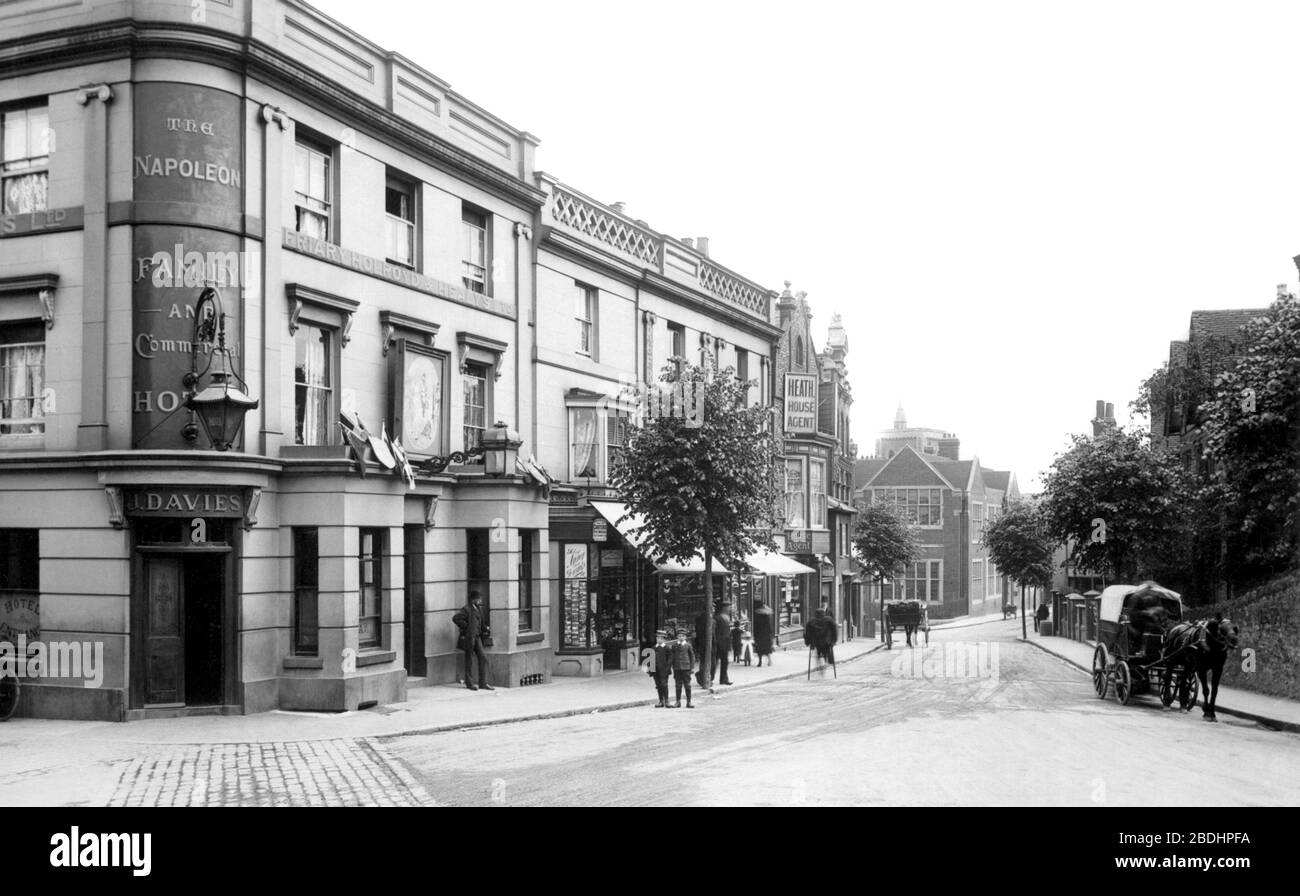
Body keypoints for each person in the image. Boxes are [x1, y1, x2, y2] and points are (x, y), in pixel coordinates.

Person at [452, 590, 494, 691]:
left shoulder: (479, 609)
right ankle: (469, 683)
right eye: (478, 599)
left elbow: (481, 622)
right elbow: (455, 618)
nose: (480, 601)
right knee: (469, 659)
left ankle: (483, 683)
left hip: (477, 637)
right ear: (473, 599)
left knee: (483, 658)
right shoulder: (466, 609)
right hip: (469, 638)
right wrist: (466, 627)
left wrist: (485, 628)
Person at [669, 628, 696, 708]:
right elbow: (672, 657)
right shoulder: (674, 646)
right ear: (677, 637)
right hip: (677, 668)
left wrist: (692, 667)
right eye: (679, 636)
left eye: (682, 636)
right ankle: (678, 702)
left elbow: (692, 656)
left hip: (686, 668)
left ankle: (689, 702)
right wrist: (671, 666)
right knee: (678, 685)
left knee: (687, 685)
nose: (681, 637)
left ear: (685, 637)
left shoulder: (688, 645)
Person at [648, 629, 673, 708]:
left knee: (664, 685)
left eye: (661, 638)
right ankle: (660, 701)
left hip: (664, 670)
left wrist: (667, 667)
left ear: (664, 639)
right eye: (657, 638)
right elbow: (650, 658)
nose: (659, 639)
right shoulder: (653, 648)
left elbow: (670, 658)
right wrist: (650, 668)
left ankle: (667, 701)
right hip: (655, 670)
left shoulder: (667, 648)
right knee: (658, 685)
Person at [712, 603, 733, 686]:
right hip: (719, 643)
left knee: (725, 661)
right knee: (715, 662)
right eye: (729, 607)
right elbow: (716, 632)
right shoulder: (717, 618)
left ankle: (724, 679)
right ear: (724, 608)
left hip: (726, 643)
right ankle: (710, 678)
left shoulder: (727, 618)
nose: (730, 609)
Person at [753, 598, 777, 667]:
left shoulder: (756, 616)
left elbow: (756, 627)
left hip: (759, 636)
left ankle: (760, 662)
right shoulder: (767, 617)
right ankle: (769, 661)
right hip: (766, 636)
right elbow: (769, 627)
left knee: (759, 650)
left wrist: (755, 635)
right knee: (767, 650)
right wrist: (770, 635)